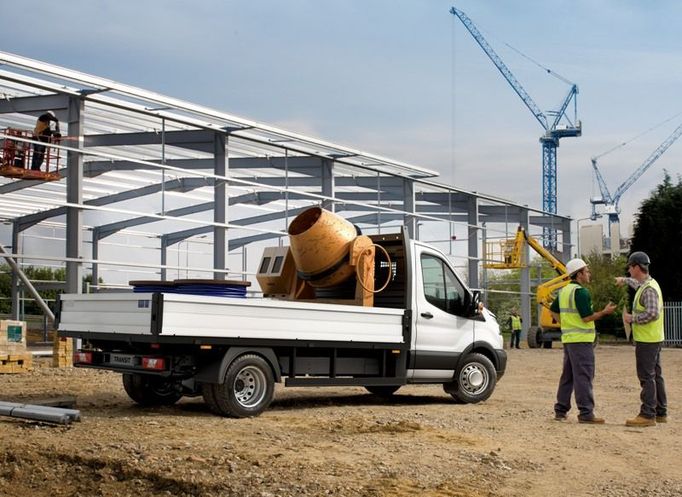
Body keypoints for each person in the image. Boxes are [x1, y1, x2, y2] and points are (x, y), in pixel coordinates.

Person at [550, 258, 616, 424]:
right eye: (586, 271)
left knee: (568, 376)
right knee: (584, 376)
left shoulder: (564, 291)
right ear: (579, 274)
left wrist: (565, 324)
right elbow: (587, 317)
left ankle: (560, 410)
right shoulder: (581, 292)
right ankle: (586, 413)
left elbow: (553, 311)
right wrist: (604, 312)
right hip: (581, 341)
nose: (589, 274)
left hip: (569, 339)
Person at [616, 251, 667, 427]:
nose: (628, 270)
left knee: (646, 376)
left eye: (630, 267)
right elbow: (635, 283)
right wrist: (623, 280)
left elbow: (652, 313)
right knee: (656, 376)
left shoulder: (649, 289)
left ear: (637, 267)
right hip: (653, 338)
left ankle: (647, 414)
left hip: (647, 340)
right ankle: (661, 412)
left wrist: (632, 319)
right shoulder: (646, 284)